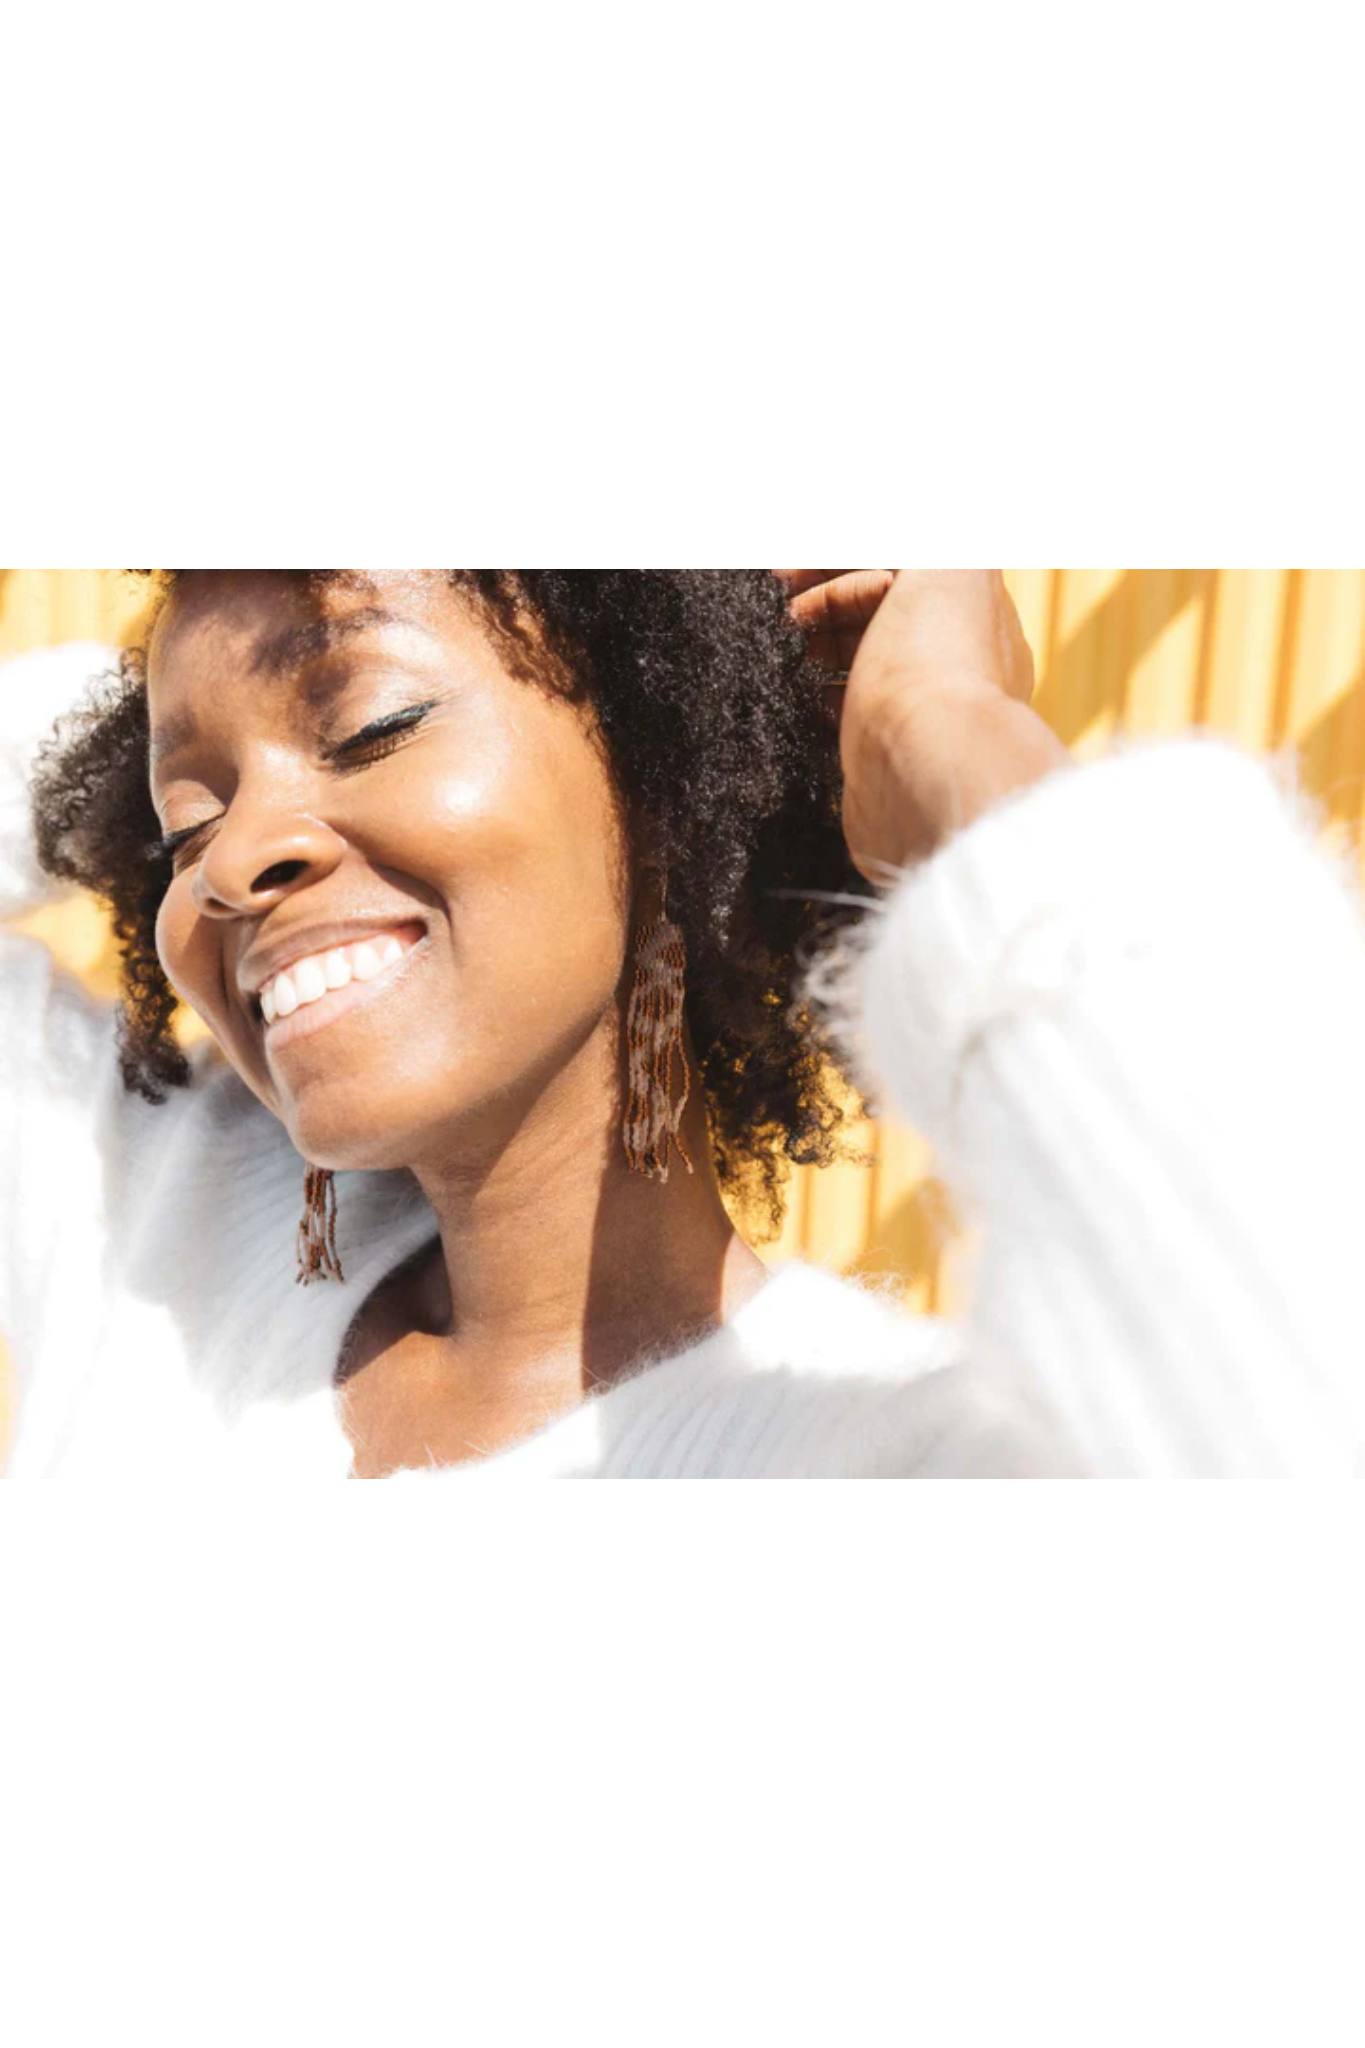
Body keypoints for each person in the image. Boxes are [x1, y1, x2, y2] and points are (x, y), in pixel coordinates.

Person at [1, 569, 1362, 1479]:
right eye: (185, 825)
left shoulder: (900, 1459)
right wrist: (144, 722)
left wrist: (941, 735)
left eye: (373, 723)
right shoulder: (146, 1227)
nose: (234, 862)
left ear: (657, 777)